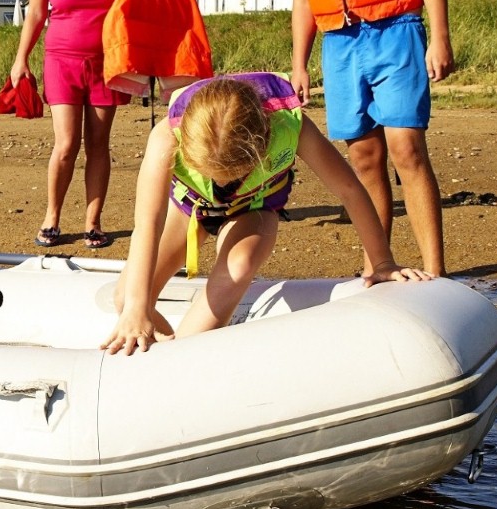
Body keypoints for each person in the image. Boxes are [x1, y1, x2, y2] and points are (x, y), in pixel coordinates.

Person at [100, 73, 432, 354]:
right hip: (192, 207)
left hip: (254, 207)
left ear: (262, 143)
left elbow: (349, 189)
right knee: (125, 298)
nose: (222, 182)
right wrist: (136, 309)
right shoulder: (166, 137)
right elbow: (148, 224)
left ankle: (185, 351)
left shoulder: (289, 124)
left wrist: (384, 263)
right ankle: (173, 350)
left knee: (238, 265)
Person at [282, 0, 453, 277]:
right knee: (363, 156)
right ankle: (378, 267)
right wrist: (299, 64)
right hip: (339, 44)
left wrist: (439, 37)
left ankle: (436, 273)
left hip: (396, 31)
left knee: (406, 148)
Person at [10, 0, 130, 250]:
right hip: (61, 61)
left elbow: (131, 9)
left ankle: (93, 222)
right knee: (65, 145)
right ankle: (52, 217)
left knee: (98, 144)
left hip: (106, 65)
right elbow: (34, 13)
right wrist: (20, 59)